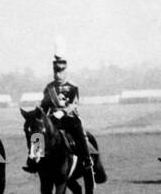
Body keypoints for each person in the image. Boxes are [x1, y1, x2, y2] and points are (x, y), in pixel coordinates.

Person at [30, 54, 106, 182]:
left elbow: (74, 104)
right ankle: (34, 158)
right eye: (56, 72)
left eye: (60, 71)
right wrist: (39, 111)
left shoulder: (72, 87)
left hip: (69, 118)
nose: (57, 75)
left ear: (65, 71)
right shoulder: (49, 88)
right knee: (38, 130)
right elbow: (44, 104)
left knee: (78, 130)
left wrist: (63, 112)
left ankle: (87, 159)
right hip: (53, 119)